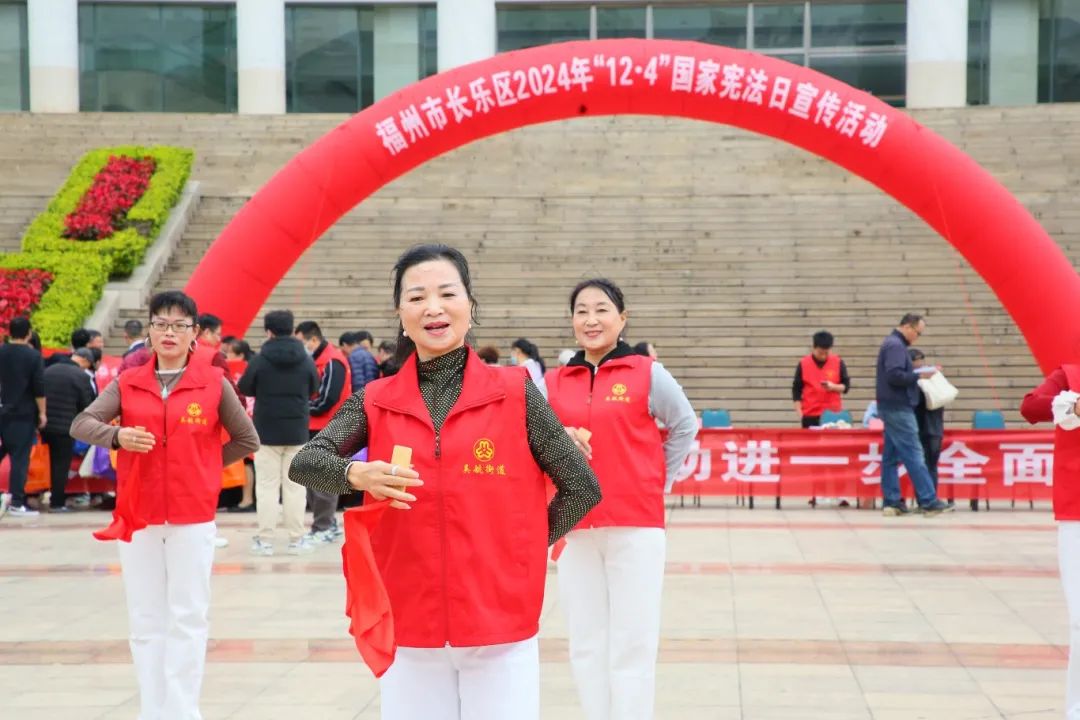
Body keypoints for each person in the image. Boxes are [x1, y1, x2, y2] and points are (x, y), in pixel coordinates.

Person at [288, 244, 601, 720]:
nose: (433, 308)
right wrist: (355, 472)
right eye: (417, 298)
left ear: (470, 307)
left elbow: (582, 486)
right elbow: (306, 461)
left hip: (499, 620)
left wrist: (520, 549)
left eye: (447, 294)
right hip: (409, 616)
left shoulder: (515, 391)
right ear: (401, 315)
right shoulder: (375, 399)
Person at [70, 290, 259, 720]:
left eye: (179, 325)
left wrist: (203, 464)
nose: (169, 332)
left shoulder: (213, 382)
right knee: (145, 619)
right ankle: (153, 711)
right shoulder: (129, 382)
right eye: (160, 324)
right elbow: (82, 423)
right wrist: (117, 436)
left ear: (195, 333)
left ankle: (182, 710)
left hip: (192, 515)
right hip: (138, 513)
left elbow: (247, 439)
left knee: (188, 616)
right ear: (150, 331)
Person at [544, 278, 697, 720]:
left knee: (633, 640)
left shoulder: (647, 372)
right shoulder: (554, 382)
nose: (591, 320)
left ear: (622, 318)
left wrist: (657, 481)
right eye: (582, 311)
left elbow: (684, 424)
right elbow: (532, 439)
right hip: (575, 524)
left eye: (601, 309)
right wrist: (560, 438)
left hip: (636, 525)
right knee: (586, 639)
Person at [1021, 364, 1080, 719]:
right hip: (1077, 511)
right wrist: (1074, 406)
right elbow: (1031, 406)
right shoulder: (1070, 376)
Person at [238, 310, 320, 555]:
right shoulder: (305, 358)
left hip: (266, 431)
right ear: (292, 329)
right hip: (297, 431)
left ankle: (265, 540)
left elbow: (245, 387)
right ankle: (296, 539)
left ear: (268, 331)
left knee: (266, 487)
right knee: (295, 487)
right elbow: (314, 387)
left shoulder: (260, 359)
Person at [875, 313, 953, 516]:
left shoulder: (893, 344)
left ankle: (892, 502)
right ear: (908, 327)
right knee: (914, 453)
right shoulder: (895, 346)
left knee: (891, 456)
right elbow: (894, 375)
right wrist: (920, 375)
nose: (917, 337)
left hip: (891, 406)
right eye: (918, 333)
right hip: (898, 406)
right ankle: (928, 500)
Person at [295, 320, 351, 543]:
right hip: (313, 426)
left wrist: (299, 407)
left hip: (328, 427)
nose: (300, 347)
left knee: (322, 481)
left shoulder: (332, 361)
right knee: (312, 480)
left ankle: (323, 527)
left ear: (314, 340)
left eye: (302, 342)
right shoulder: (315, 360)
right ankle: (327, 523)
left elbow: (327, 400)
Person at [0, 316, 46, 517]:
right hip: (23, 413)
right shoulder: (33, 356)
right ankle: (17, 502)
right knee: (19, 459)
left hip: (2, 410)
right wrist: (42, 412)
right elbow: (39, 387)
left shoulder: (1, 351)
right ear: (28, 333)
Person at [42, 347, 96, 512]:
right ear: (85, 361)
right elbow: (86, 405)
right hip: (65, 428)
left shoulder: (48, 371)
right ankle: (57, 502)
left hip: (44, 425)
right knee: (61, 465)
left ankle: (30, 497)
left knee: (43, 463)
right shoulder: (81, 376)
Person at [792, 330, 850, 428]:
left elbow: (846, 387)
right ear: (814, 348)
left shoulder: (838, 362)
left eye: (826, 353)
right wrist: (800, 414)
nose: (823, 356)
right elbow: (796, 390)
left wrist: (833, 387)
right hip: (810, 416)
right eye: (820, 353)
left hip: (832, 416)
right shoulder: (803, 364)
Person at [909, 348, 945, 489]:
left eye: (920, 360)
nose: (920, 363)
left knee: (927, 467)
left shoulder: (919, 381)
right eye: (917, 360)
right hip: (933, 429)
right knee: (930, 467)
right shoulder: (933, 378)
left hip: (925, 429)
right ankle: (929, 497)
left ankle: (927, 498)